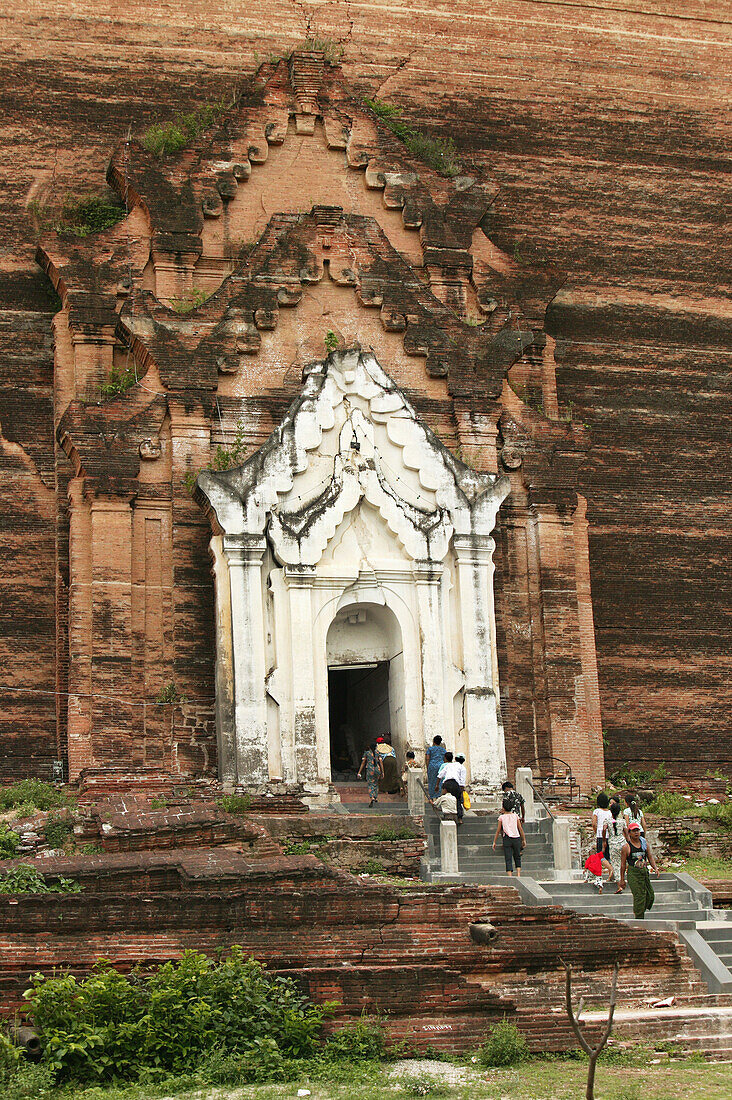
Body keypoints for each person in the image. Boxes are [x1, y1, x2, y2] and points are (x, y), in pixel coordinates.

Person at [619, 821, 660, 919]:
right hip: (634, 873)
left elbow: (649, 856)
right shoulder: (626, 847)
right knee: (639, 896)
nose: (636, 833)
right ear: (629, 833)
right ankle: (639, 917)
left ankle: (641, 910)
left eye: (637, 830)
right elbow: (623, 864)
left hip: (644, 872)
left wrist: (655, 868)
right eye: (634, 831)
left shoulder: (644, 843)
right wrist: (622, 879)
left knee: (650, 895)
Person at [492, 797, 526, 877]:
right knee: (517, 856)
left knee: (508, 857)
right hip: (516, 837)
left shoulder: (501, 817)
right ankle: (518, 874)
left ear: (503, 807)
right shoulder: (516, 816)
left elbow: (498, 830)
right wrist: (523, 839)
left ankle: (510, 875)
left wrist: (494, 841)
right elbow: (520, 828)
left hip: (507, 838)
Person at [603, 801, 625, 892]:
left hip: (613, 843)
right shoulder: (622, 821)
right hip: (622, 843)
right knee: (622, 863)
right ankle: (617, 877)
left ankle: (619, 884)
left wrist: (604, 840)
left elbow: (604, 829)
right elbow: (627, 833)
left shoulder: (607, 821)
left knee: (615, 863)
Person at [357, 741, 383, 807]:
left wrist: (359, 772)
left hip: (370, 769)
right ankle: (375, 796)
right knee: (376, 783)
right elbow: (381, 762)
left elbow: (363, 762)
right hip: (377, 769)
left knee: (370, 783)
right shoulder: (378, 753)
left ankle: (372, 797)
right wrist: (383, 772)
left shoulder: (367, 753)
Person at [592, 792, 613, 858]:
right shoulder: (610, 812)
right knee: (608, 855)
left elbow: (594, 824)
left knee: (600, 856)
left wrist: (596, 831)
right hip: (609, 836)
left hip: (600, 835)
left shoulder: (596, 811)